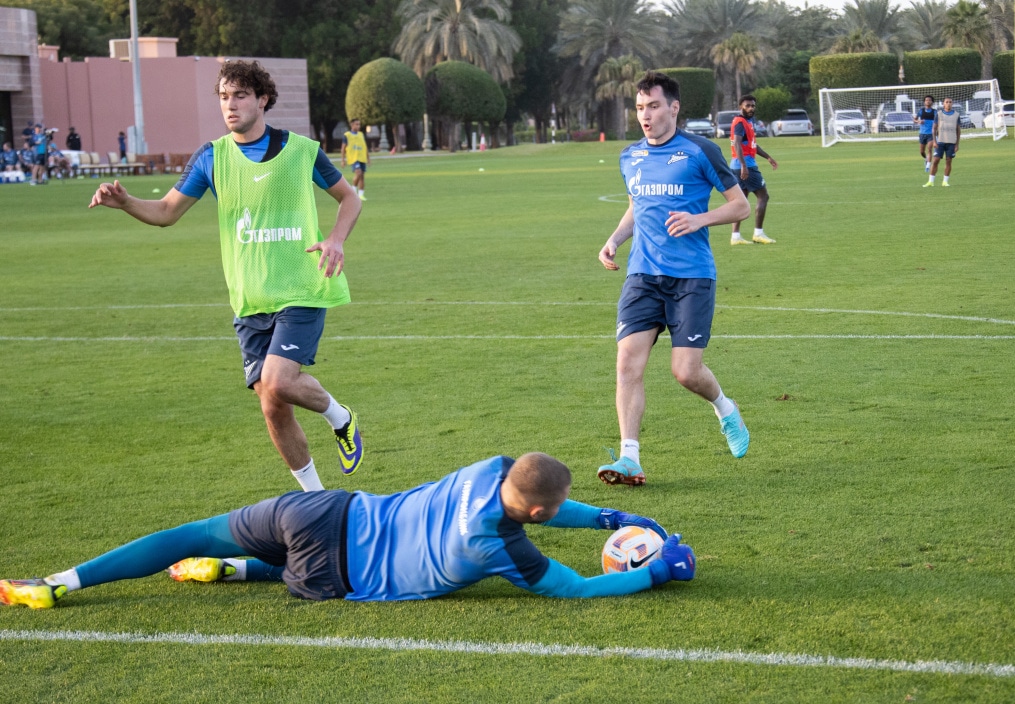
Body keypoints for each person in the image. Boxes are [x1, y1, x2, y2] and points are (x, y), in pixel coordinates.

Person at [89, 60, 364, 492]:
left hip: (301, 287)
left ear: (262, 99)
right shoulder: (211, 157)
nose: (230, 105)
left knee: (278, 380)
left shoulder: (302, 150)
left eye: (239, 95)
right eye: (223, 96)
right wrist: (125, 202)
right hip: (249, 299)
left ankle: (340, 417)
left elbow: (349, 198)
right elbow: (166, 211)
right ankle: (316, 499)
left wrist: (336, 239)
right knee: (272, 405)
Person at [0, 453, 697, 609]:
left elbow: (540, 498)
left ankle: (56, 582)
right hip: (335, 573)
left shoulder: (492, 467)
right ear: (537, 514)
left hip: (325, 511)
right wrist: (655, 571)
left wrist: (609, 516)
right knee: (298, 573)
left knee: (193, 533)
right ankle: (243, 571)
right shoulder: (500, 548)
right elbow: (576, 588)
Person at [596, 71, 752, 487]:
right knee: (627, 364)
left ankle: (726, 409)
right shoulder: (630, 156)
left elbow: (740, 207)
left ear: (674, 108)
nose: (645, 116)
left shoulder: (700, 151)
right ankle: (630, 458)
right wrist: (614, 240)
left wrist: (700, 219)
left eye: (653, 106)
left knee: (686, 372)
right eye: (639, 108)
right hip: (642, 275)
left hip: (691, 277)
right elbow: (636, 205)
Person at [728, 94, 778, 245]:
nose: (751, 108)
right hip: (746, 166)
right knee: (763, 196)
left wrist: (768, 157)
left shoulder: (749, 122)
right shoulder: (740, 123)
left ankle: (735, 237)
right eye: (747, 106)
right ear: (740, 107)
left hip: (737, 166)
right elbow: (737, 144)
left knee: (741, 200)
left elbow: (752, 145)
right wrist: (744, 165)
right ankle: (758, 233)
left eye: (753, 106)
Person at [924, 97, 959, 188]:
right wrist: (934, 141)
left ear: (952, 104)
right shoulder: (939, 114)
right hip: (940, 141)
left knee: (949, 160)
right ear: (943, 104)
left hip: (951, 141)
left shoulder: (956, 115)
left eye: (950, 102)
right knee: (936, 160)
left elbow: (958, 130)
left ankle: (945, 181)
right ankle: (930, 181)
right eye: (946, 102)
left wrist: (957, 144)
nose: (948, 103)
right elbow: (934, 128)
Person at [341, 118, 369, 201]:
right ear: (352, 125)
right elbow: (343, 148)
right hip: (353, 158)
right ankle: (352, 190)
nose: (358, 126)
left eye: (359, 124)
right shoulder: (347, 135)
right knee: (358, 173)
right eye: (357, 124)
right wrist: (343, 160)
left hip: (362, 157)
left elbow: (365, 146)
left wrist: (368, 158)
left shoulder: (361, 134)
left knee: (362, 176)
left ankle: (361, 195)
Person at [914, 95, 936, 173]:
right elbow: (915, 120)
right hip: (922, 133)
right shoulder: (921, 111)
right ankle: (926, 159)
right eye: (926, 100)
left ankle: (928, 166)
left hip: (931, 133)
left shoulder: (935, 112)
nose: (928, 101)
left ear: (932, 102)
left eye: (929, 100)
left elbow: (938, 121)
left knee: (929, 149)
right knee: (922, 151)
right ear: (924, 102)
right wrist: (918, 121)